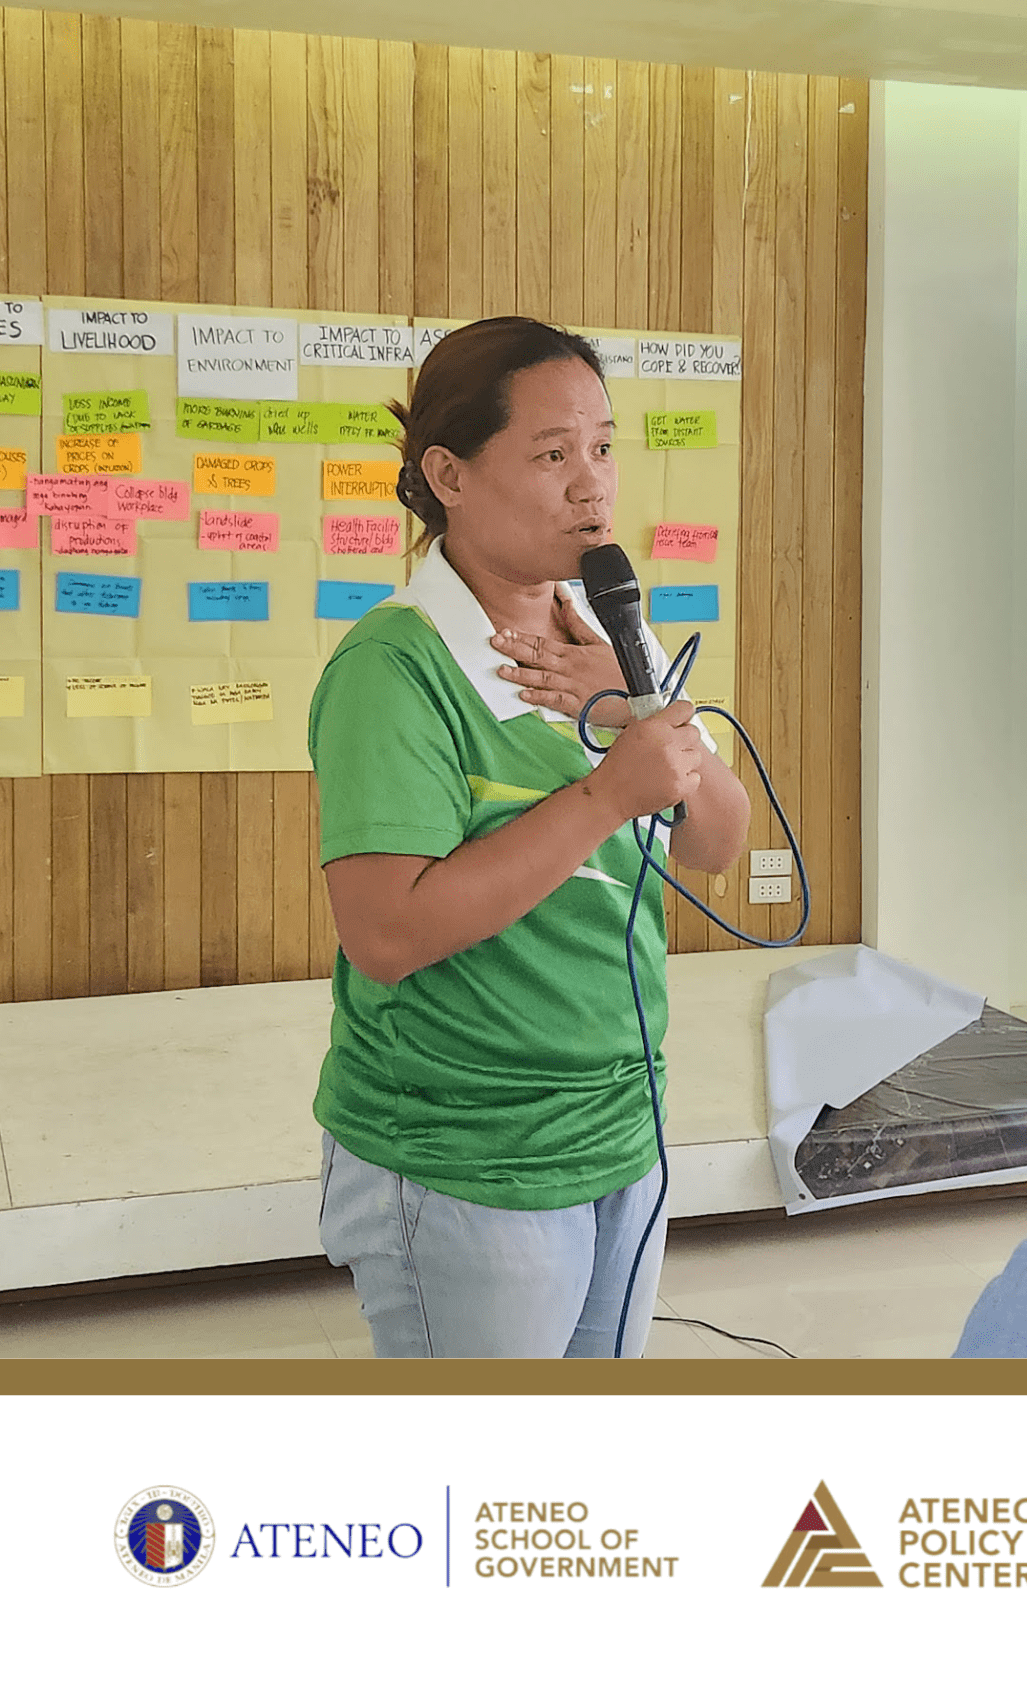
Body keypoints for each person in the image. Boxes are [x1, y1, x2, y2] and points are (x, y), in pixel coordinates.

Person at [308, 316, 751, 1358]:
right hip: (467, 1151)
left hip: (619, 1126)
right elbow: (387, 934)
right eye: (552, 455)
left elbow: (714, 842)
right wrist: (602, 797)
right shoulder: (394, 668)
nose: (591, 486)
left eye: (602, 447)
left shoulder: (608, 633)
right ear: (448, 476)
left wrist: (641, 707)